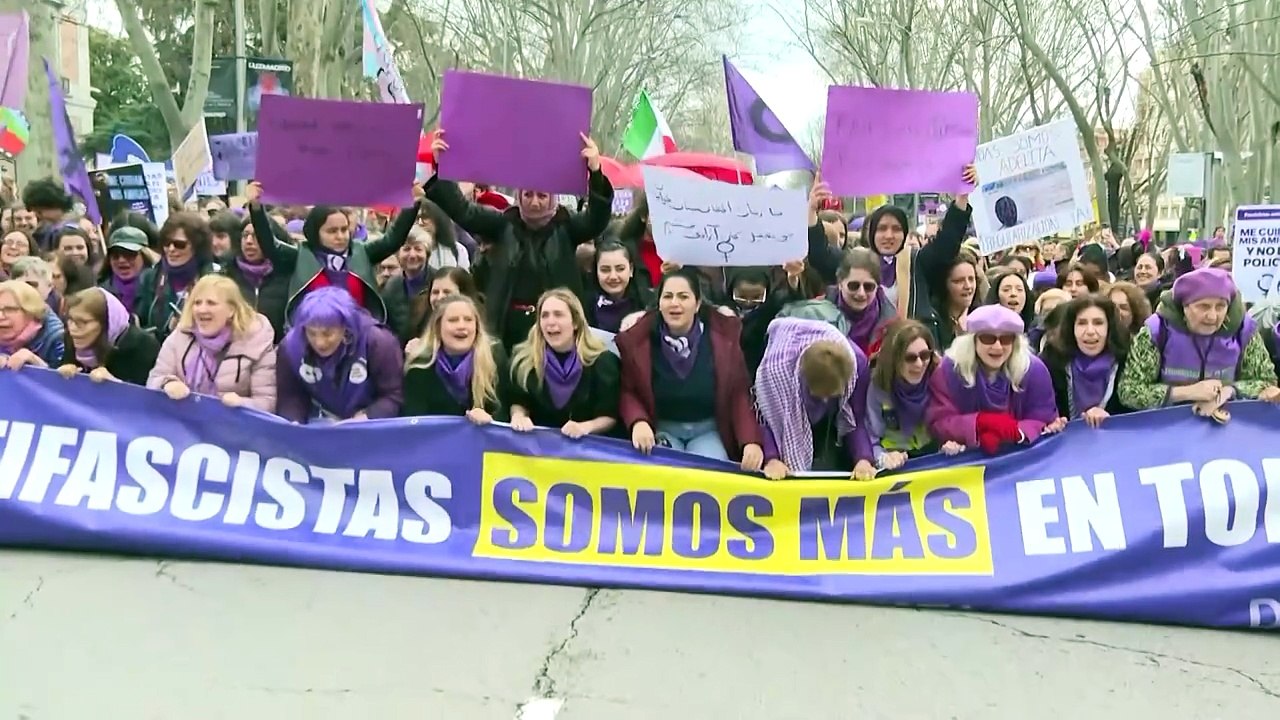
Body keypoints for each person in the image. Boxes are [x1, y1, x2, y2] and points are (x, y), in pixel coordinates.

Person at [427, 131, 613, 348]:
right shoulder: (502, 225)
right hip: (505, 333)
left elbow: (596, 220)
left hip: (553, 330)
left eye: (542, 196)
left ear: (552, 198)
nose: (535, 202)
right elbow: (462, 211)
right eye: (528, 195)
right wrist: (442, 167)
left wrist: (595, 174)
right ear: (520, 196)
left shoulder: (566, 227)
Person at [617, 269, 762, 465]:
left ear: (697, 303)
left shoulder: (724, 339)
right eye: (668, 296)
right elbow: (628, 391)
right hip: (662, 429)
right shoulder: (638, 341)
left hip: (708, 431)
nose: (674, 303)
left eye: (683, 296)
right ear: (659, 303)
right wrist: (638, 421)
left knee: (711, 470)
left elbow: (738, 393)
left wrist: (750, 441)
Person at [803, 168, 975, 322]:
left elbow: (946, 245)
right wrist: (811, 210)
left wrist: (962, 198)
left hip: (909, 343)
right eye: (882, 228)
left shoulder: (916, 262)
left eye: (896, 229)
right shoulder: (855, 261)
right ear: (871, 233)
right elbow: (820, 255)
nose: (889, 235)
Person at [244, 180, 421, 324]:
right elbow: (270, 245)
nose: (340, 236)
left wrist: (412, 205)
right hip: (312, 338)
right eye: (332, 231)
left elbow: (393, 239)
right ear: (315, 233)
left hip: (360, 335)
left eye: (344, 229)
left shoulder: (361, 251)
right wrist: (257, 208)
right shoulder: (300, 256)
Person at [1118, 267, 1280, 418]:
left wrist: (1228, 392)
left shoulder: (1243, 330)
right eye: (1203, 307)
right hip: (1167, 425)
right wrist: (1186, 392)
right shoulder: (1157, 330)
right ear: (1184, 307)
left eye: (1220, 307)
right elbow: (1129, 391)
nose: (1212, 316)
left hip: (1227, 426)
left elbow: (1266, 382)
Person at [926, 304, 1062, 455]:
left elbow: (1045, 417)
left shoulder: (1034, 369)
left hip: (1022, 456)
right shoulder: (949, 370)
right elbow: (939, 421)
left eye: (1006, 339)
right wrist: (979, 423)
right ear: (973, 341)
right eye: (988, 338)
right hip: (967, 458)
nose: (997, 347)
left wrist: (1014, 431)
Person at [754, 317, 875, 480]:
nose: (825, 400)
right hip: (789, 411)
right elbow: (765, 418)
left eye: (831, 395)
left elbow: (856, 418)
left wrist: (863, 459)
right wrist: (772, 458)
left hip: (829, 428)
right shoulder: (775, 373)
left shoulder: (858, 365)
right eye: (820, 395)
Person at [146, 275, 277, 412]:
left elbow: (266, 402)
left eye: (211, 303)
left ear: (231, 310)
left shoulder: (256, 342)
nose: (202, 310)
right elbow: (154, 379)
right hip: (182, 418)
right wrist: (167, 384)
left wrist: (241, 404)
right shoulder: (180, 336)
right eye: (197, 303)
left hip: (231, 423)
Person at [275, 287, 403, 424]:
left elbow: (393, 395)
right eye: (311, 333)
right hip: (320, 421)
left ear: (345, 326)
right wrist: (294, 423)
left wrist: (368, 417)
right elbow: (290, 396)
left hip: (368, 423)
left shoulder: (378, 342)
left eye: (328, 334)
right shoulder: (290, 347)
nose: (320, 343)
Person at [507, 288, 619, 438]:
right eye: (544, 316)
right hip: (537, 447)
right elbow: (519, 401)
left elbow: (610, 416)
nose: (550, 322)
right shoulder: (524, 361)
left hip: (585, 447)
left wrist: (584, 427)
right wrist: (519, 416)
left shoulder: (603, 362)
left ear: (575, 323)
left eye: (558, 314)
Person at [866, 319, 964, 469]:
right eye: (910, 358)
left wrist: (954, 441)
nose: (919, 364)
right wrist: (882, 458)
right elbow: (871, 437)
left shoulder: (942, 376)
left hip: (935, 459)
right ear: (894, 359)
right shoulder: (879, 386)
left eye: (925, 355)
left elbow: (957, 422)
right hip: (897, 464)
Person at [402, 294, 506, 422]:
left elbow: (505, 413)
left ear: (477, 327)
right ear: (438, 327)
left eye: (468, 320)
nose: (462, 326)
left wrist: (490, 420)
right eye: (453, 320)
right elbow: (414, 421)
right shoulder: (419, 367)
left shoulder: (494, 360)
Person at [1040, 296, 1133, 427]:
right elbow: (1039, 411)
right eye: (1082, 323)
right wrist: (1051, 422)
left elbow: (1137, 416)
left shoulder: (1128, 359)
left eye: (1098, 323)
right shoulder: (1051, 360)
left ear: (1110, 327)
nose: (1090, 331)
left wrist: (1111, 418)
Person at [136, 212, 220, 340]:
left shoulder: (215, 279)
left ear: (197, 247)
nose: (171, 249)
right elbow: (140, 326)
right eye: (166, 243)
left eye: (179, 244)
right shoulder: (150, 278)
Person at [56, 287, 159, 386]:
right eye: (70, 320)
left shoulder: (143, 346)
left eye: (83, 322)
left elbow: (147, 393)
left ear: (107, 323)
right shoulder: (70, 338)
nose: (72, 328)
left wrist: (115, 385)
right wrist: (61, 377)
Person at [224, 212, 291, 343]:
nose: (249, 241)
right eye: (245, 235)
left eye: (256, 236)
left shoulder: (288, 275)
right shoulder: (227, 275)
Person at [826, 248, 896, 354]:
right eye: (854, 286)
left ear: (877, 287)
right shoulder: (818, 314)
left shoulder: (892, 325)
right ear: (840, 284)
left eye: (868, 287)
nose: (861, 293)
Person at [0, 279, 73, 369]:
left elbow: (69, 376)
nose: (0, 316)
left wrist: (37, 363)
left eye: (9, 309)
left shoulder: (58, 339)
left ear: (31, 311)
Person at [584, 240, 653, 334]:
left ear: (631, 269)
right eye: (605, 270)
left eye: (620, 269)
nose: (613, 276)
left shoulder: (649, 303)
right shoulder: (584, 306)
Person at [380, 225, 433, 344]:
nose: (412, 255)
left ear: (427, 254)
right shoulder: (390, 287)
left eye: (418, 249)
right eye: (407, 249)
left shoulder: (438, 281)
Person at [97, 226, 152, 317]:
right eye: (115, 255)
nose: (121, 260)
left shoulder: (157, 288)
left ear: (144, 256)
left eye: (129, 254)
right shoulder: (100, 293)